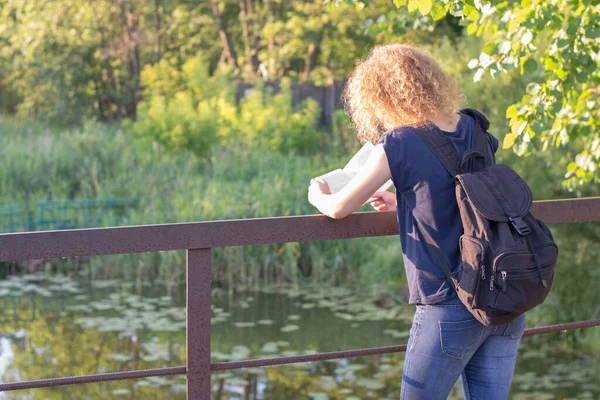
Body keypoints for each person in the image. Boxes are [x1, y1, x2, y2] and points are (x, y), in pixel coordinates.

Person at [307, 44, 525, 400]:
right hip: (504, 294)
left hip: (451, 304)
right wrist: (404, 205)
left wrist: (317, 193)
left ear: (380, 96)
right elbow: (472, 202)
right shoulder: (474, 125)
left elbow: (339, 208)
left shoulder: (399, 142)